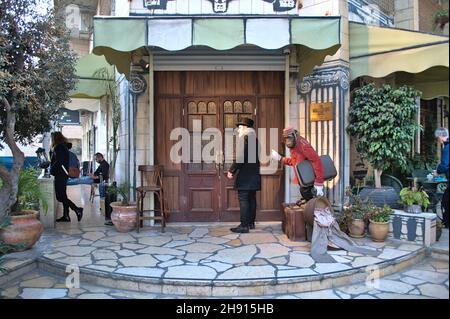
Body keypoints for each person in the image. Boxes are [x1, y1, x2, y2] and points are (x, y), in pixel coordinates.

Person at [271, 127, 324, 201]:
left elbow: (316, 161)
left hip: (309, 177)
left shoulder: (303, 145)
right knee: (305, 194)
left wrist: (319, 182)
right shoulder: (294, 146)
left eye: (289, 138)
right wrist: (280, 158)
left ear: (294, 136)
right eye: (286, 139)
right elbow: (295, 162)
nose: (287, 141)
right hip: (303, 177)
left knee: (307, 194)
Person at [227, 118, 261, 233]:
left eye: (240, 127)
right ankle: (250, 223)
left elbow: (241, 157)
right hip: (254, 174)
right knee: (251, 199)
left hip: (245, 176)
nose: (238, 129)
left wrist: (232, 170)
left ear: (246, 128)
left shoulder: (245, 138)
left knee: (244, 199)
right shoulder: (255, 140)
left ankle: (244, 226)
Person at [49, 132, 83, 222]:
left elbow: (59, 161)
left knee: (60, 197)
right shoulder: (63, 146)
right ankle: (66, 216)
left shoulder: (59, 147)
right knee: (63, 195)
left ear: (54, 139)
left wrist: (51, 170)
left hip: (60, 174)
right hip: (63, 174)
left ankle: (77, 209)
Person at [434, 127, 449, 228]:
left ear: (440, 136)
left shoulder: (447, 148)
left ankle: (446, 223)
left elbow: (444, 164)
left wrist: (437, 171)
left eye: (437, 138)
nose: (437, 140)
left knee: (445, 201)